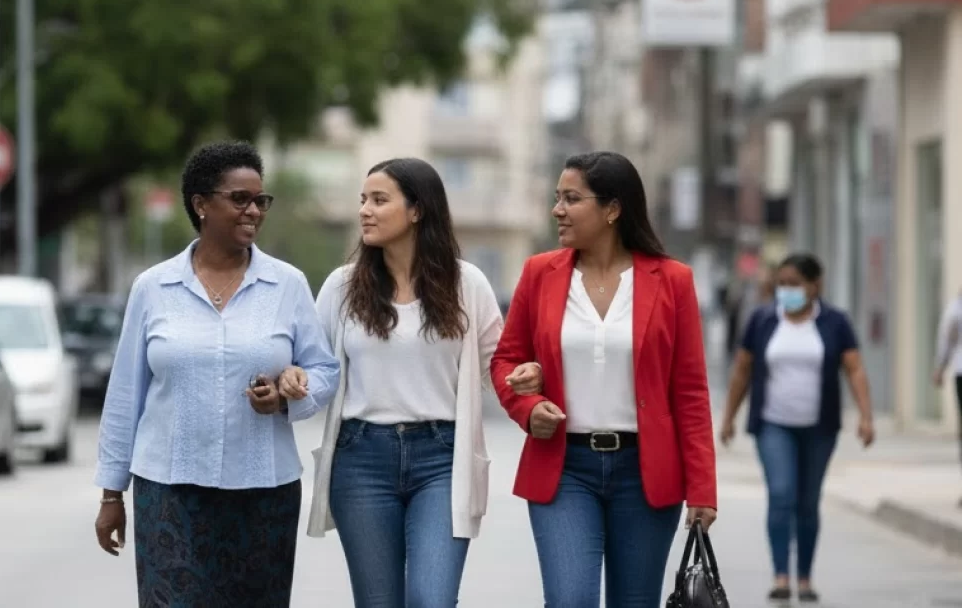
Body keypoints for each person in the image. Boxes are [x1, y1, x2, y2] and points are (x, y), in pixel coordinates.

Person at [93, 140, 340, 607]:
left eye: (260, 200)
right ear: (201, 204)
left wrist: (289, 397)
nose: (253, 211)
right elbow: (126, 395)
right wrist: (111, 495)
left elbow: (325, 370)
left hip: (263, 494)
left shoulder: (287, 285)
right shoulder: (153, 288)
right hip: (169, 492)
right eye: (240, 199)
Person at [491, 151, 718, 607]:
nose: (557, 209)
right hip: (565, 468)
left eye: (571, 199)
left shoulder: (672, 280)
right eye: (557, 198)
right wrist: (527, 407)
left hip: (645, 472)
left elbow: (689, 391)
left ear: (613, 209)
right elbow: (506, 360)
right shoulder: (540, 274)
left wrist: (703, 487)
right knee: (569, 598)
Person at [294, 158, 515, 607]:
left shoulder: (467, 284)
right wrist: (293, 381)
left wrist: (525, 378)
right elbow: (315, 365)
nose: (365, 211)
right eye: (363, 201)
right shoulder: (341, 287)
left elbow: (501, 362)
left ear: (417, 210)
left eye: (379, 200)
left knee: (431, 600)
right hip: (360, 460)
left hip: (442, 460)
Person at [720, 253, 875, 604]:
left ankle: (804, 577)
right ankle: (781, 575)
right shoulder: (762, 320)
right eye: (781, 284)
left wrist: (866, 416)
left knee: (807, 502)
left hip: (819, 427)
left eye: (794, 284)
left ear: (814, 285)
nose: (786, 290)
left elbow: (854, 369)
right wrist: (729, 417)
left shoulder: (835, 322)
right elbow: (742, 370)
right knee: (782, 494)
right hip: (773, 424)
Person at [934, 287, 962, 507]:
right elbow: (948, 340)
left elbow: (946, 341)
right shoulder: (956, 309)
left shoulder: (956, 309)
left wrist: (940, 368)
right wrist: (941, 367)